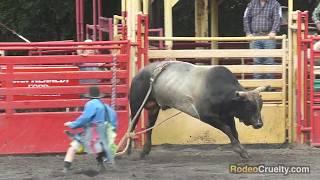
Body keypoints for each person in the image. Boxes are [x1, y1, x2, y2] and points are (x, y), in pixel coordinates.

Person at [63, 86, 118, 173]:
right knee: (100, 147)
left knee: (73, 147)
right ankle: (101, 164)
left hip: (92, 131)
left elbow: (85, 118)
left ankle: (66, 168)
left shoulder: (91, 104)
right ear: (100, 96)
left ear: (89, 96)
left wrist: (72, 124)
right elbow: (113, 119)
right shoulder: (105, 106)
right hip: (103, 133)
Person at [243, 0, 281, 79]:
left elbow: (277, 18)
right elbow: (246, 18)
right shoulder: (252, 3)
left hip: (269, 37)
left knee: (269, 60)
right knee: (257, 61)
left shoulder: (275, 3)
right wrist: (248, 33)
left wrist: (273, 31)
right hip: (255, 36)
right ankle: (258, 84)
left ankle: (270, 85)